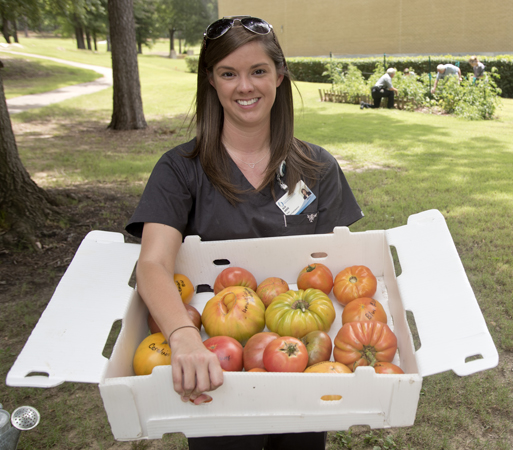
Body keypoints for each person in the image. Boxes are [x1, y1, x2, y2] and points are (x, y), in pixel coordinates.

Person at [125, 15, 363, 450]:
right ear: (211, 82)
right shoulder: (180, 170)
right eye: (228, 73)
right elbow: (153, 264)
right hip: (218, 371)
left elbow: (336, 275)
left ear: (280, 75)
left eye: (258, 71)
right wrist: (184, 338)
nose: (245, 87)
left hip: (300, 368)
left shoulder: (318, 169)